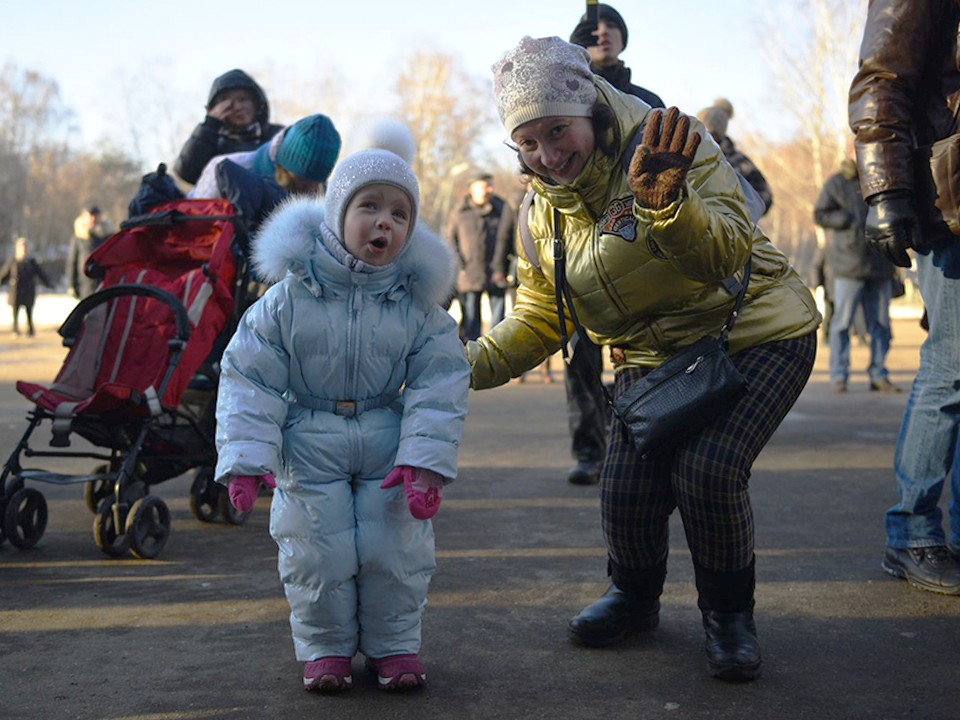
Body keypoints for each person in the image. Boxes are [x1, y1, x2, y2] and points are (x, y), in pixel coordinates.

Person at [469, 36, 820, 682]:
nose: (548, 155)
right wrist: (458, 366)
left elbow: (729, 253)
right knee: (624, 489)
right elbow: (545, 315)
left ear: (590, 111)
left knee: (708, 471)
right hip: (653, 359)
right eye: (528, 142)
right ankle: (634, 597)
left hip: (755, 332)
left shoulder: (669, 143)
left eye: (557, 131)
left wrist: (668, 209)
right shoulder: (539, 214)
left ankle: (728, 617)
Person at [213, 146, 470, 693]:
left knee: (395, 548)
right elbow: (249, 378)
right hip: (308, 439)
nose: (385, 222)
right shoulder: (287, 299)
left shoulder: (415, 306)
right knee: (315, 550)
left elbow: (439, 381)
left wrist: (425, 460)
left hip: (386, 438)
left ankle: (394, 646)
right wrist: (245, 458)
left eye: (400, 214)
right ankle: (325, 648)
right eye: (369, 206)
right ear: (335, 214)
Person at [849, 0, 960, 595]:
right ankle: (912, 533)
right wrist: (886, 191)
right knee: (951, 368)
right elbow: (881, 77)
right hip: (953, 198)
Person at [563, 3, 666, 485]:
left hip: (639, 251)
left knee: (641, 357)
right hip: (579, 250)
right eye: (591, 27)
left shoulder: (648, 101)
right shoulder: (563, 99)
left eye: (612, 26)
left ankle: (640, 444)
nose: (602, 31)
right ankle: (589, 449)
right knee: (580, 357)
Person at [814, 155, 899, 393]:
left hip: (881, 262)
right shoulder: (837, 182)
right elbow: (820, 214)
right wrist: (849, 220)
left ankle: (879, 374)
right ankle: (839, 375)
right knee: (842, 323)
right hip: (848, 264)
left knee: (881, 324)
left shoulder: (884, 177)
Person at [190, 113, 341, 200]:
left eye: (315, 182)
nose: (309, 189)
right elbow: (199, 224)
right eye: (302, 180)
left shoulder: (321, 195)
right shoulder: (225, 170)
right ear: (284, 164)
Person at [174, 69, 284, 186]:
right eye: (227, 103)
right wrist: (209, 124)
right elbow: (186, 172)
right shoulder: (214, 146)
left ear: (256, 102)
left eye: (242, 99)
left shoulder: (278, 136)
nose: (237, 107)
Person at [447, 172, 515, 340]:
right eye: (486, 186)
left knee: (498, 323)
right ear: (472, 189)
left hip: (497, 272)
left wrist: (505, 266)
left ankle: (496, 360)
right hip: (469, 275)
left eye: (491, 186)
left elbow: (510, 237)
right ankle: (470, 361)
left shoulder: (502, 209)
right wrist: (461, 265)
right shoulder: (459, 212)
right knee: (471, 323)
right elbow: (450, 240)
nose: (490, 190)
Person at [698, 99, 774, 216]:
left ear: (717, 134)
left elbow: (764, 196)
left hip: (728, 230)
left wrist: (740, 215)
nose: (702, 137)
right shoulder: (688, 156)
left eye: (707, 133)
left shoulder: (737, 162)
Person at [0, 237, 52, 337]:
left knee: (29, 311)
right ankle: (15, 329)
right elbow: (4, 274)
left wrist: (48, 284)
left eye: (25, 247)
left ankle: (30, 330)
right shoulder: (12, 261)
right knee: (15, 311)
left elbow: (40, 274)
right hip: (16, 290)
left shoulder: (31, 262)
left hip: (28, 290)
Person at [67, 207, 111, 299]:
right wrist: (71, 285)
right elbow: (72, 262)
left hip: (104, 283)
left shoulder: (107, 236)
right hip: (85, 285)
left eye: (95, 216)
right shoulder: (79, 238)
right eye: (90, 216)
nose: (93, 219)